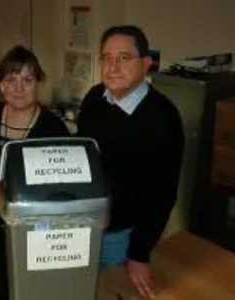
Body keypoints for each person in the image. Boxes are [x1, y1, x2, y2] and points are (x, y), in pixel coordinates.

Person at [77, 25, 184, 299]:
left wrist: (139, 253)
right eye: (106, 58)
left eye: (124, 58)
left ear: (146, 64)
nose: (112, 67)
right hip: (85, 225)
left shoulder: (163, 118)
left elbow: (164, 193)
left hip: (122, 237)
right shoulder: (94, 99)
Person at [0, 45, 70, 299]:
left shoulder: (53, 129)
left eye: (27, 79)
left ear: (38, 83)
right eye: (11, 80)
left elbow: (62, 189)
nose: (19, 87)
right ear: (0, 85)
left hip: (35, 233)